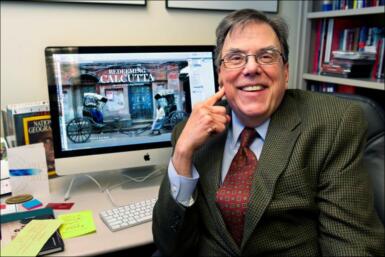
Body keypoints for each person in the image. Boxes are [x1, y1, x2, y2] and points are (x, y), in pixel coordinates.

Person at [152, 9, 384, 256]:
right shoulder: (191, 132)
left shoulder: (333, 125)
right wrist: (182, 153)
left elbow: (351, 245)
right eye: (236, 57)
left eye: (266, 56)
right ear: (220, 75)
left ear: (285, 72)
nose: (251, 68)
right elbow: (170, 246)